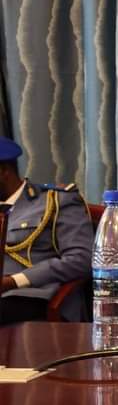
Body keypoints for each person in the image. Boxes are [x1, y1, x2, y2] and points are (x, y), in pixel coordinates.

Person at [0, 138, 93, 322]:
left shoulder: (56, 201)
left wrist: (14, 281)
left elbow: (82, 258)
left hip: (32, 296)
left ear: (3, 171)